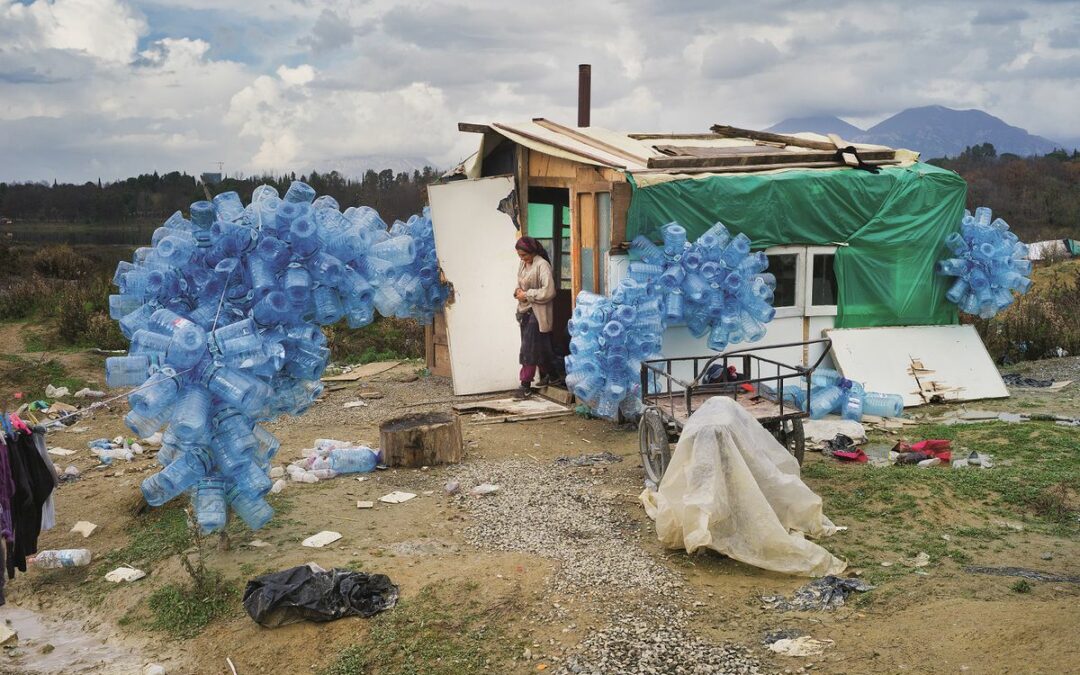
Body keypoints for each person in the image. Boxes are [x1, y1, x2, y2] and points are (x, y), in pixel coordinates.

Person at [513, 236, 562, 398]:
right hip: (525, 310)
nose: (522, 258)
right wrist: (517, 292)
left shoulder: (542, 265)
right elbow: (520, 285)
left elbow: (549, 291)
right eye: (520, 255)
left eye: (524, 255)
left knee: (528, 349)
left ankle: (525, 384)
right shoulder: (523, 264)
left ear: (532, 252)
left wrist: (527, 294)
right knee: (540, 347)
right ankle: (553, 376)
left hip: (538, 311)